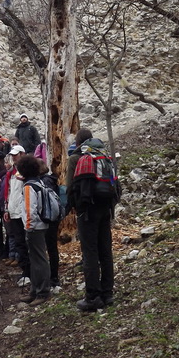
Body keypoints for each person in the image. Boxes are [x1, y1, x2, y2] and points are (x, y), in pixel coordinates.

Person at [66, 129, 116, 312]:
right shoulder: (103, 155)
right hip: (105, 208)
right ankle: (107, 293)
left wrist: (73, 206)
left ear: (78, 142)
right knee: (105, 250)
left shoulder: (75, 159)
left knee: (90, 253)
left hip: (87, 211)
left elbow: (70, 187)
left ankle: (92, 297)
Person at [18, 155, 51, 306]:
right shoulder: (39, 183)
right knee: (36, 258)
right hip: (41, 225)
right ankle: (35, 289)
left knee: (39, 259)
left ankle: (42, 291)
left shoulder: (29, 186)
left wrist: (28, 228)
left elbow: (29, 209)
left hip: (34, 227)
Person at [3, 145, 30, 286]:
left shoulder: (27, 170)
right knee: (19, 242)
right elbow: (8, 192)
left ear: (22, 154)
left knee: (25, 242)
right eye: (13, 155)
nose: (14, 157)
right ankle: (25, 270)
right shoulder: (11, 172)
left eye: (16, 154)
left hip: (24, 212)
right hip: (14, 211)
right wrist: (6, 209)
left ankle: (28, 272)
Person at [38, 159, 61, 288]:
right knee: (51, 248)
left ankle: (53, 276)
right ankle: (53, 275)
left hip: (48, 218)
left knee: (50, 248)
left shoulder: (44, 182)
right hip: (53, 218)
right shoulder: (50, 180)